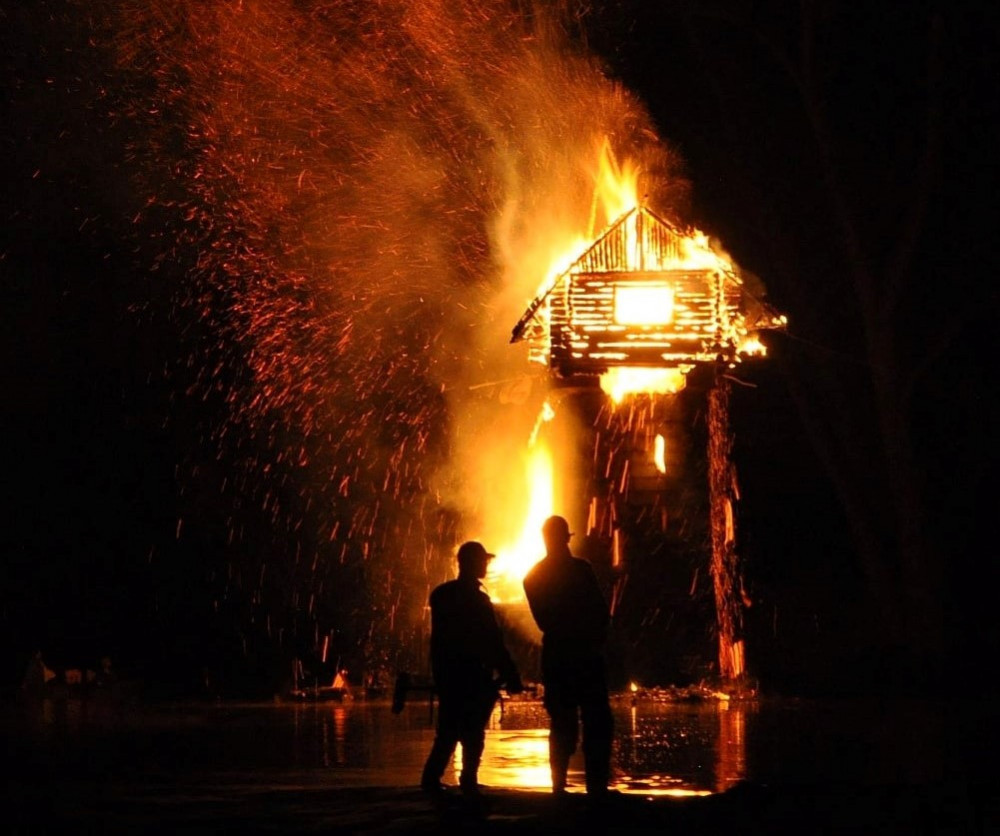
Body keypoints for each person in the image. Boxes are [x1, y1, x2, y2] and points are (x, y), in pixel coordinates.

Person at [420, 541, 523, 797]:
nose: (486, 565)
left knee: (448, 732)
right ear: (472, 563)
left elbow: (440, 641)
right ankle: (467, 784)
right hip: (473, 676)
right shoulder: (477, 600)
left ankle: (431, 782)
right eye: (483, 561)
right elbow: (492, 641)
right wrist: (510, 673)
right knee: (473, 733)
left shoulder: (441, 595)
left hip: (448, 675)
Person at [523, 515, 613, 798]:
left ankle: (559, 787)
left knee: (562, 722)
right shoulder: (582, 570)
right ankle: (597, 788)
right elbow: (601, 613)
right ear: (566, 537)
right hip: (586, 656)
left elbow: (544, 621)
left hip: (558, 657)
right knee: (597, 721)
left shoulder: (533, 577)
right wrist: (595, 640)